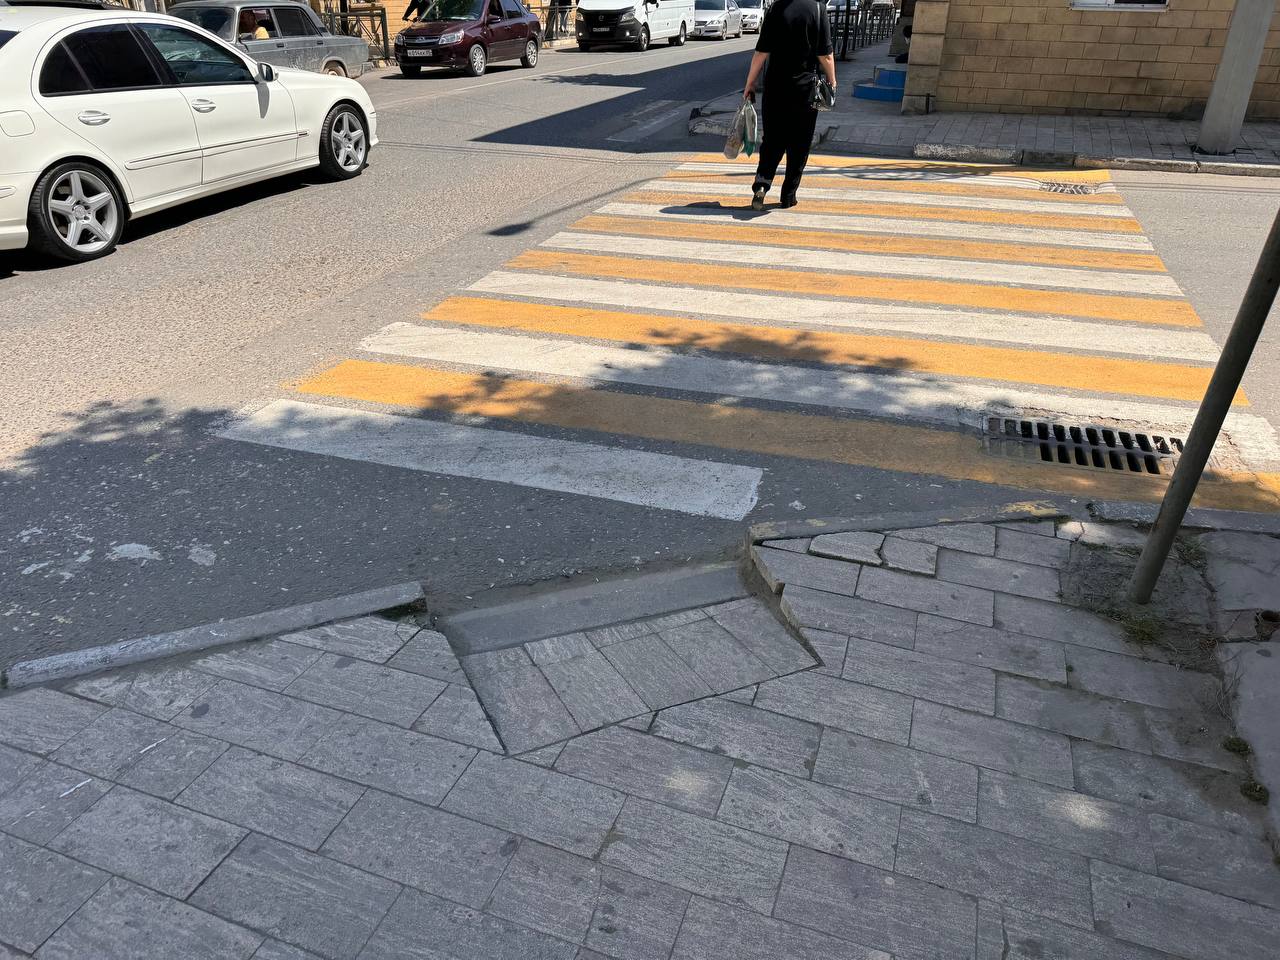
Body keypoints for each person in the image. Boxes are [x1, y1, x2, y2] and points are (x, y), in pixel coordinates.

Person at [742, 0, 836, 210]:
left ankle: (762, 184)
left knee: (772, 140)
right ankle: (788, 195)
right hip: (805, 90)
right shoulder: (818, 9)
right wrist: (832, 82)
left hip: (775, 88)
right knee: (800, 143)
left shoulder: (775, 8)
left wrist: (750, 83)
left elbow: (761, 53)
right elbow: (826, 56)